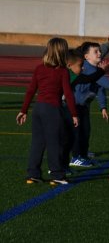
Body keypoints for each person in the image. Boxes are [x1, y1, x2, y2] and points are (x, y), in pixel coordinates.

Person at [17, 38, 78, 185]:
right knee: (54, 143)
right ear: (63, 53)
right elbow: (68, 94)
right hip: (52, 110)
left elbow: (31, 90)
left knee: (37, 143)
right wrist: (74, 114)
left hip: (38, 109)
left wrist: (23, 110)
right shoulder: (63, 71)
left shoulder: (39, 68)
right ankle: (57, 175)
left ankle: (33, 174)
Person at [70, 41, 109, 167]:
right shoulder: (85, 68)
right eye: (96, 52)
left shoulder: (96, 70)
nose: (99, 53)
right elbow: (108, 85)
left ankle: (83, 155)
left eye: (99, 51)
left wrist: (103, 107)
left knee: (86, 131)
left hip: (84, 107)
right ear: (86, 57)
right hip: (74, 106)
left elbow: (101, 89)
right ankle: (75, 158)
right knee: (77, 132)